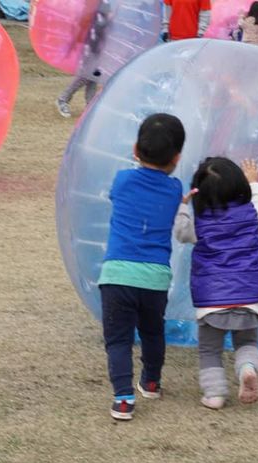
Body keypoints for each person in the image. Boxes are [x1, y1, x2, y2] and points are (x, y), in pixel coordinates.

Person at [98, 113, 186, 421]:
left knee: (119, 339)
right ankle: (151, 381)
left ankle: (123, 399)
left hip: (117, 275)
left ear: (135, 149)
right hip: (154, 278)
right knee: (152, 332)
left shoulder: (122, 180)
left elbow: (120, 195)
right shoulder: (176, 189)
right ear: (177, 157)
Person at [173, 158, 258, 410]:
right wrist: (254, 182)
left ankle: (215, 395)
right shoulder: (251, 215)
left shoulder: (200, 224)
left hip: (212, 301)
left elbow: (181, 232)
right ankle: (247, 369)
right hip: (250, 297)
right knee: (247, 343)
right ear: (240, 186)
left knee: (209, 350)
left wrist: (183, 207)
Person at [55, 0, 110, 118]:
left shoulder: (105, 4)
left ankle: (90, 107)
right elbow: (82, 23)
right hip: (88, 46)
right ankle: (63, 98)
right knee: (85, 76)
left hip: (98, 47)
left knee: (94, 77)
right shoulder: (91, 4)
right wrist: (74, 44)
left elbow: (105, 25)